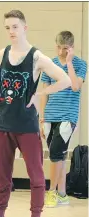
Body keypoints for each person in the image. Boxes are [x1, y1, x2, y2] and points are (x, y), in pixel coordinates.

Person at [0, 10, 71, 217]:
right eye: (7, 28)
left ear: (24, 28)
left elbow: (65, 80)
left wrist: (40, 94)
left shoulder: (37, 57)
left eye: (15, 27)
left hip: (26, 125)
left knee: (36, 174)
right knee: (2, 175)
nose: (11, 32)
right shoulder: (0, 55)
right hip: (2, 123)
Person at [40, 31, 87, 207]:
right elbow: (45, 92)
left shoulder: (81, 64)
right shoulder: (49, 64)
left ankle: (52, 192)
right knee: (58, 155)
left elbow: (75, 87)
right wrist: (42, 118)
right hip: (50, 115)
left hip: (68, 115)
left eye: (65, 48)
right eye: (59, 47)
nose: (61, 51)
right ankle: (62, 193)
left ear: (72, 48)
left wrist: (69, 63)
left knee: (55, 153)